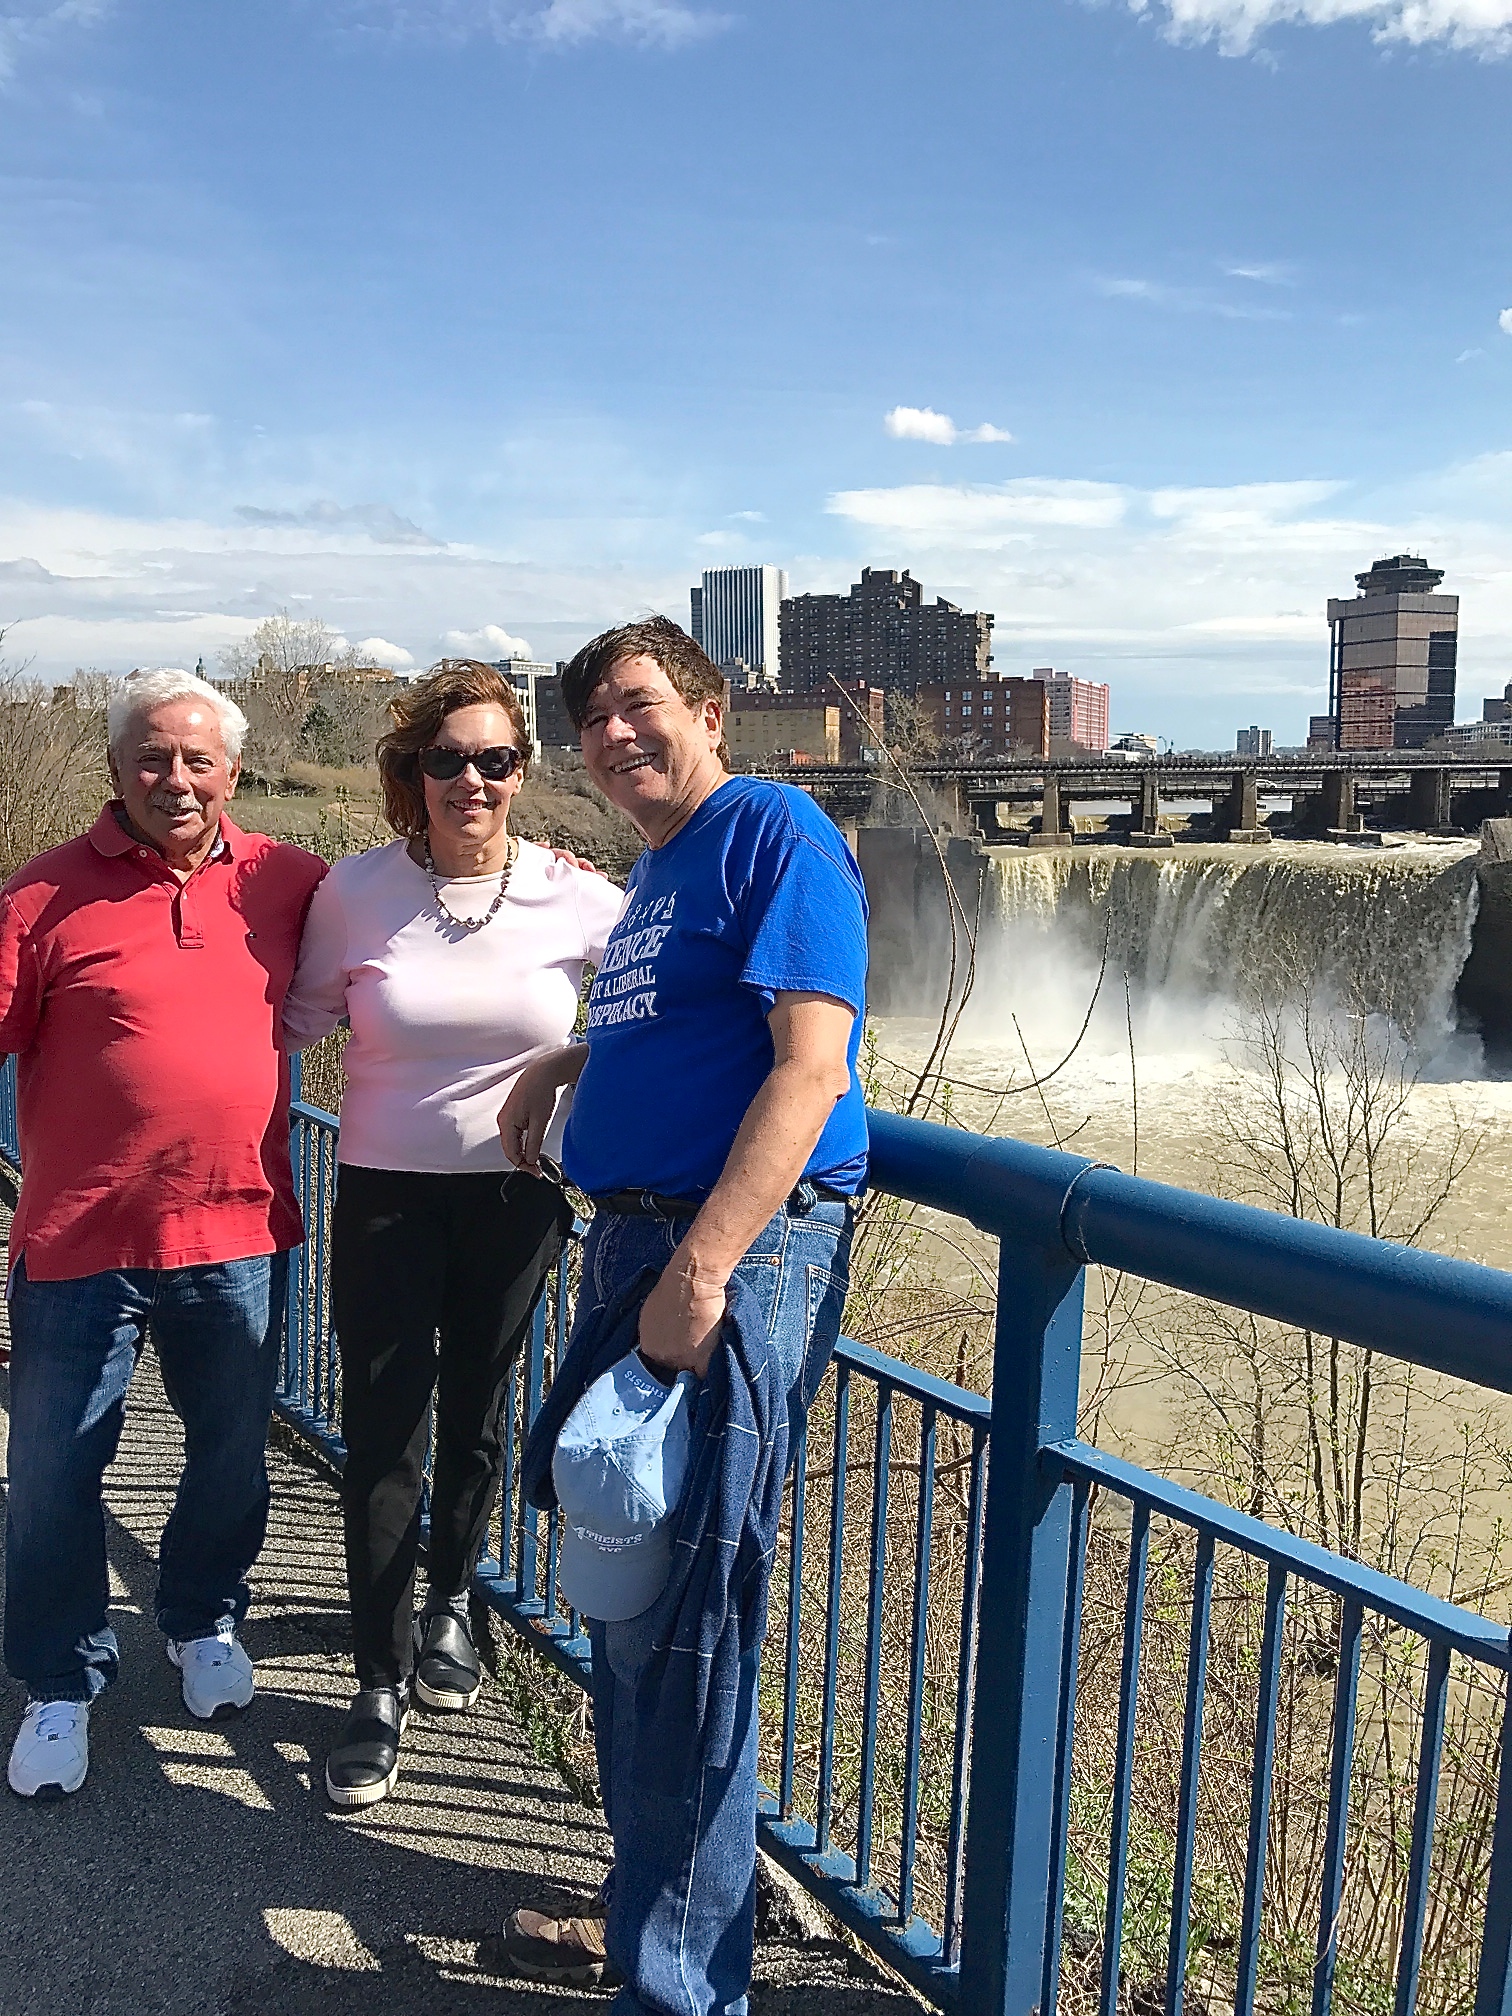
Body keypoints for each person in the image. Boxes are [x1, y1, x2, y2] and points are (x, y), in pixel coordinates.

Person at [495, 618, 868, 2014]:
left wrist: (705, 1269)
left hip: (725, 1257)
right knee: (625, 1594)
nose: (614, 732)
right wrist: (576, 1050)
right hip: (640, 1243)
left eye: (639, 704)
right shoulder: (664, 872)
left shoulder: (774, 826)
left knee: (691, 1624)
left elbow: (810, 1067)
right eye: (591, 717)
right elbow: (693, 1020)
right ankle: (646, 1909)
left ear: (709, 711)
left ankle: (682, 1986)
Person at [282, 659, 624, 1810]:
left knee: (480, 1420)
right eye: (447, 761)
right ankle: (374, 1680)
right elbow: (289, 1021)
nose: (471, 780)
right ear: (411, 772)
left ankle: (448, 1607)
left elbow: (663, 1001)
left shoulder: (575, 894)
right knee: (385, 1437)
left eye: (495, 760)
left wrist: (578, 1062)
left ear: (522, 772)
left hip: (516, 1200)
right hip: (382, 1193)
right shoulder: (354, 892)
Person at [0, 667, 326, 1800]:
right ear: (114, 772)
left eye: (196, 759)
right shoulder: (42, 897)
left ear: (231, 770)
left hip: (236, 1232)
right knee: (50, 1474)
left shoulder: (290, 880)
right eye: (152, 757)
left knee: (231, 1457)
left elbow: (418, 923)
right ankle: (57, 1682)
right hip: (78, 1243)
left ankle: (201, 1621)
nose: (174, 779)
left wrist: (547, 883)